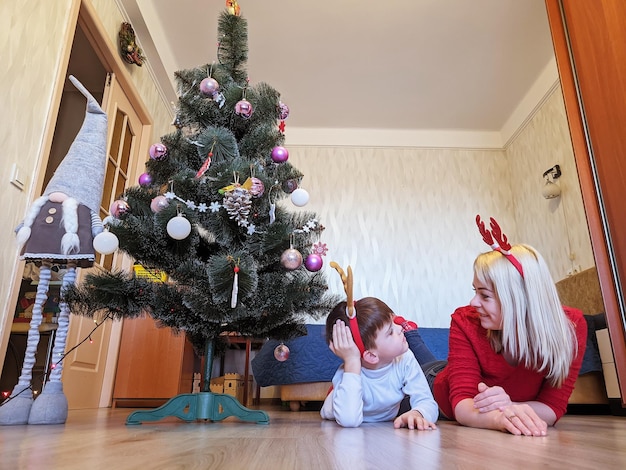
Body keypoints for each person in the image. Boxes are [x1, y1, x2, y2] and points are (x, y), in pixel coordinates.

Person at [429, 215, 587, 436]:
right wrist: (501, 417)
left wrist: (508, 406)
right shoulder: (465, 320)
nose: (474, 302)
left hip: (484, 401)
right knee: (419, 369)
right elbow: (463, 406)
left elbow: (553, 408)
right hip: (438, 387)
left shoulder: (571, 326)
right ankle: (410, 333)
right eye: (475, 292)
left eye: (484, 295)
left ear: (518, 299)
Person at [320, 262, 439, 429]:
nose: (400, 328)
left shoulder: (405, 358)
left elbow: (427, 401)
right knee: (333, 408)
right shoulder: (348, 371)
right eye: (390, 332)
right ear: (371, 355)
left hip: (385, 416)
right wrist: (352, 362)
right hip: (342, 409)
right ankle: (335, 393)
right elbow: (349, 421)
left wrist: (418, 413)